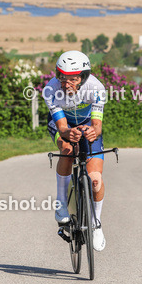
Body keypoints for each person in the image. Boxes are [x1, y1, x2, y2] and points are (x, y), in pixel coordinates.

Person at [42, 50, 107, 251]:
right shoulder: (50, 89)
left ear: (84, 77)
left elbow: (97, 125)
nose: (66, 83)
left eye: (72, 79)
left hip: (87, 124)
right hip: (63, 124)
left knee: (95, 179)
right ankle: (61, 201)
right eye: (62, 77)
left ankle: (96, 224)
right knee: (68, 149)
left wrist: (91, 131)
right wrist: (68, 133)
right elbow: (61, 127)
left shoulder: (96, 88)